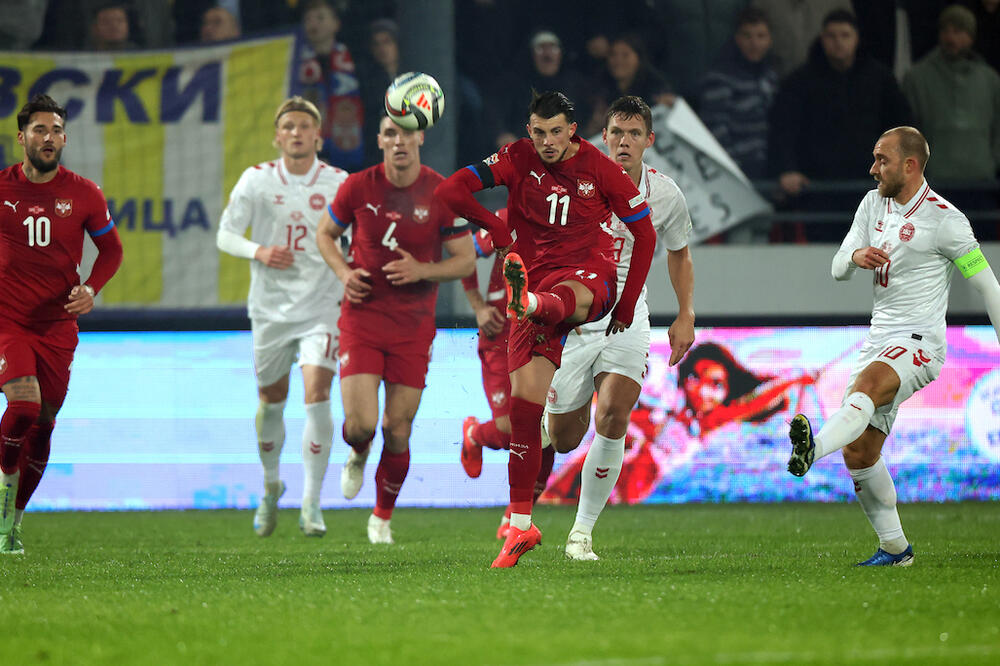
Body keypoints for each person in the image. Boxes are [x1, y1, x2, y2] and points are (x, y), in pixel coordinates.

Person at [436, 90, 657, 568]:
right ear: (529, 130)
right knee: (526, 413)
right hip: (533, 287)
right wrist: (495, 229)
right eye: (539, 132)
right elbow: (448, 191)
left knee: (572, 299)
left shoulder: (599, 168)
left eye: (556, 132)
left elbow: (646, 233)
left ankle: (533, 302)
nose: (548, 141)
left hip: (590, 280)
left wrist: (626, 302)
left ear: (572, 130)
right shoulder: (516, 157)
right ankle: (520, 525)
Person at [786, 126, 1000, 566]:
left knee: (865, 388)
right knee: (860, 452)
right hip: (878, 339)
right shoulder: (872, 204)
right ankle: (896, 549)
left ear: (910, 165)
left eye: (882, 159)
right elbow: (837, 268)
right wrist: (855, 256)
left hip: (920, 343)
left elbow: (988, 287)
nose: (873, 168)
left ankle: (813, 449)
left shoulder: (946, 220)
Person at [541, 95, 694, 560]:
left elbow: (679, 253)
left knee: (613, 414)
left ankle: (581, 534)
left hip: (628, 316)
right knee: (565, 439)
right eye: (617, 133)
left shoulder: (665, 193)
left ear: (649, 140)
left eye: (634, 134)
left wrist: (685, 314)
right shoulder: (572, 180)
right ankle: (547, 426)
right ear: (603, 136)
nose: (624, 142)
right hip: (576, 315)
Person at [316, 115, 475, 545]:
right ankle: (357, 453)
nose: (399, 141)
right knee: (361, 426)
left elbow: (465, 260)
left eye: (406, 133)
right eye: (390, 133)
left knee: (398, 430)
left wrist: (423, 270)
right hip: (362, 319)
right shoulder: (357, 187)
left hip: (413, 327)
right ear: (380, 140)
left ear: (420, 136)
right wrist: (344, 273)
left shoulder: (442, 192)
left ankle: (381, 518)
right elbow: (325, 234)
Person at [216, 96, 348, 539]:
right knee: (271, 401)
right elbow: (225, 235)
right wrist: (259, 251)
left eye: (304, 126)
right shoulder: (256, 179)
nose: (296, 133)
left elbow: (357, 237)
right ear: (277, 137)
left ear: (318, 137)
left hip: (321, 307)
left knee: (318, 394)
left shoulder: (339, 183)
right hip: (270, 309)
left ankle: (312, 502)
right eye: (288, 126)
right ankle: (271, 485)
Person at [0, 94, 124, 555]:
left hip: (57, 327)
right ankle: (2, 493)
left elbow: (112, 250)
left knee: (44, 425)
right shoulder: (2, 188)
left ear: (65, 139)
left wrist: (91, 288)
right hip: (8, 320)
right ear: (22, 138)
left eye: (55, 131)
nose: (48, 138)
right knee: (24, 406)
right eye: (39, 130)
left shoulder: (85, 194)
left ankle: (12, 523)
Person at [459, 216, 556, 540]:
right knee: (509, 428)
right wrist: (478, 306)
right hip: (501, 335)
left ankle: (514, 520)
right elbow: (465, 253)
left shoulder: (570, 215)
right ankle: (474, 434)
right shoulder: (505, 218)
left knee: (550, 433)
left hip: (546, 332)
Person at [903, 5, 1000, 182]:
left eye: (958, 31)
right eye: (946, 31)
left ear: (971, 36)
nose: (951, 37)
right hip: (934, 179)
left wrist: (992, 162)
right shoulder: (916, 79)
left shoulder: (990, 80)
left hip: (982, 178)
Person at [700, 7, 779, 181]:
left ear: (769, 40)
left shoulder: (771, 76)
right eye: (747, 36)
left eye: (761, 36)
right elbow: (715, 127)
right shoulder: (720, 78)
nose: (754, 43)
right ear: (737, 38)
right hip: (736, 169)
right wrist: (732, 167)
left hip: (769, 166)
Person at [291, 0, 364, 171]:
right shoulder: (295, 64)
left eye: (320, 18)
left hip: (353, 158)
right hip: (309, 161)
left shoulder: (356, 60)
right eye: (308, 19)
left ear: (336, 24)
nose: (313, 24)